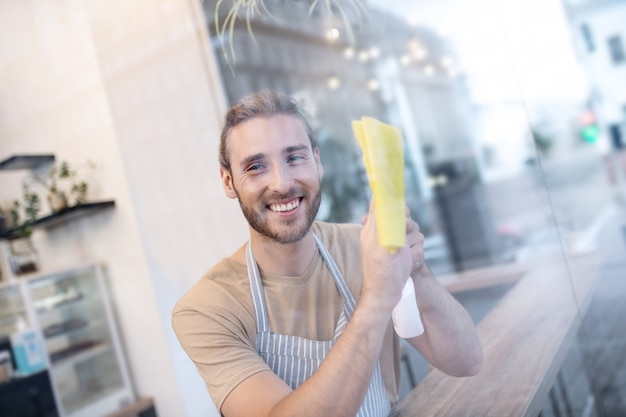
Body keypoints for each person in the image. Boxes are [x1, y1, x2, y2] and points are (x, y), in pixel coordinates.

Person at [172, 90, 483, 417]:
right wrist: (376, 296)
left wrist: (416, 270)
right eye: (256, 166)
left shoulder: (362, 247)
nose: (282, 183)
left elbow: (466, 361)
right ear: (228, 181)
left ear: (317, 162)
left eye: (294, 158)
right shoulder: (207, 309)